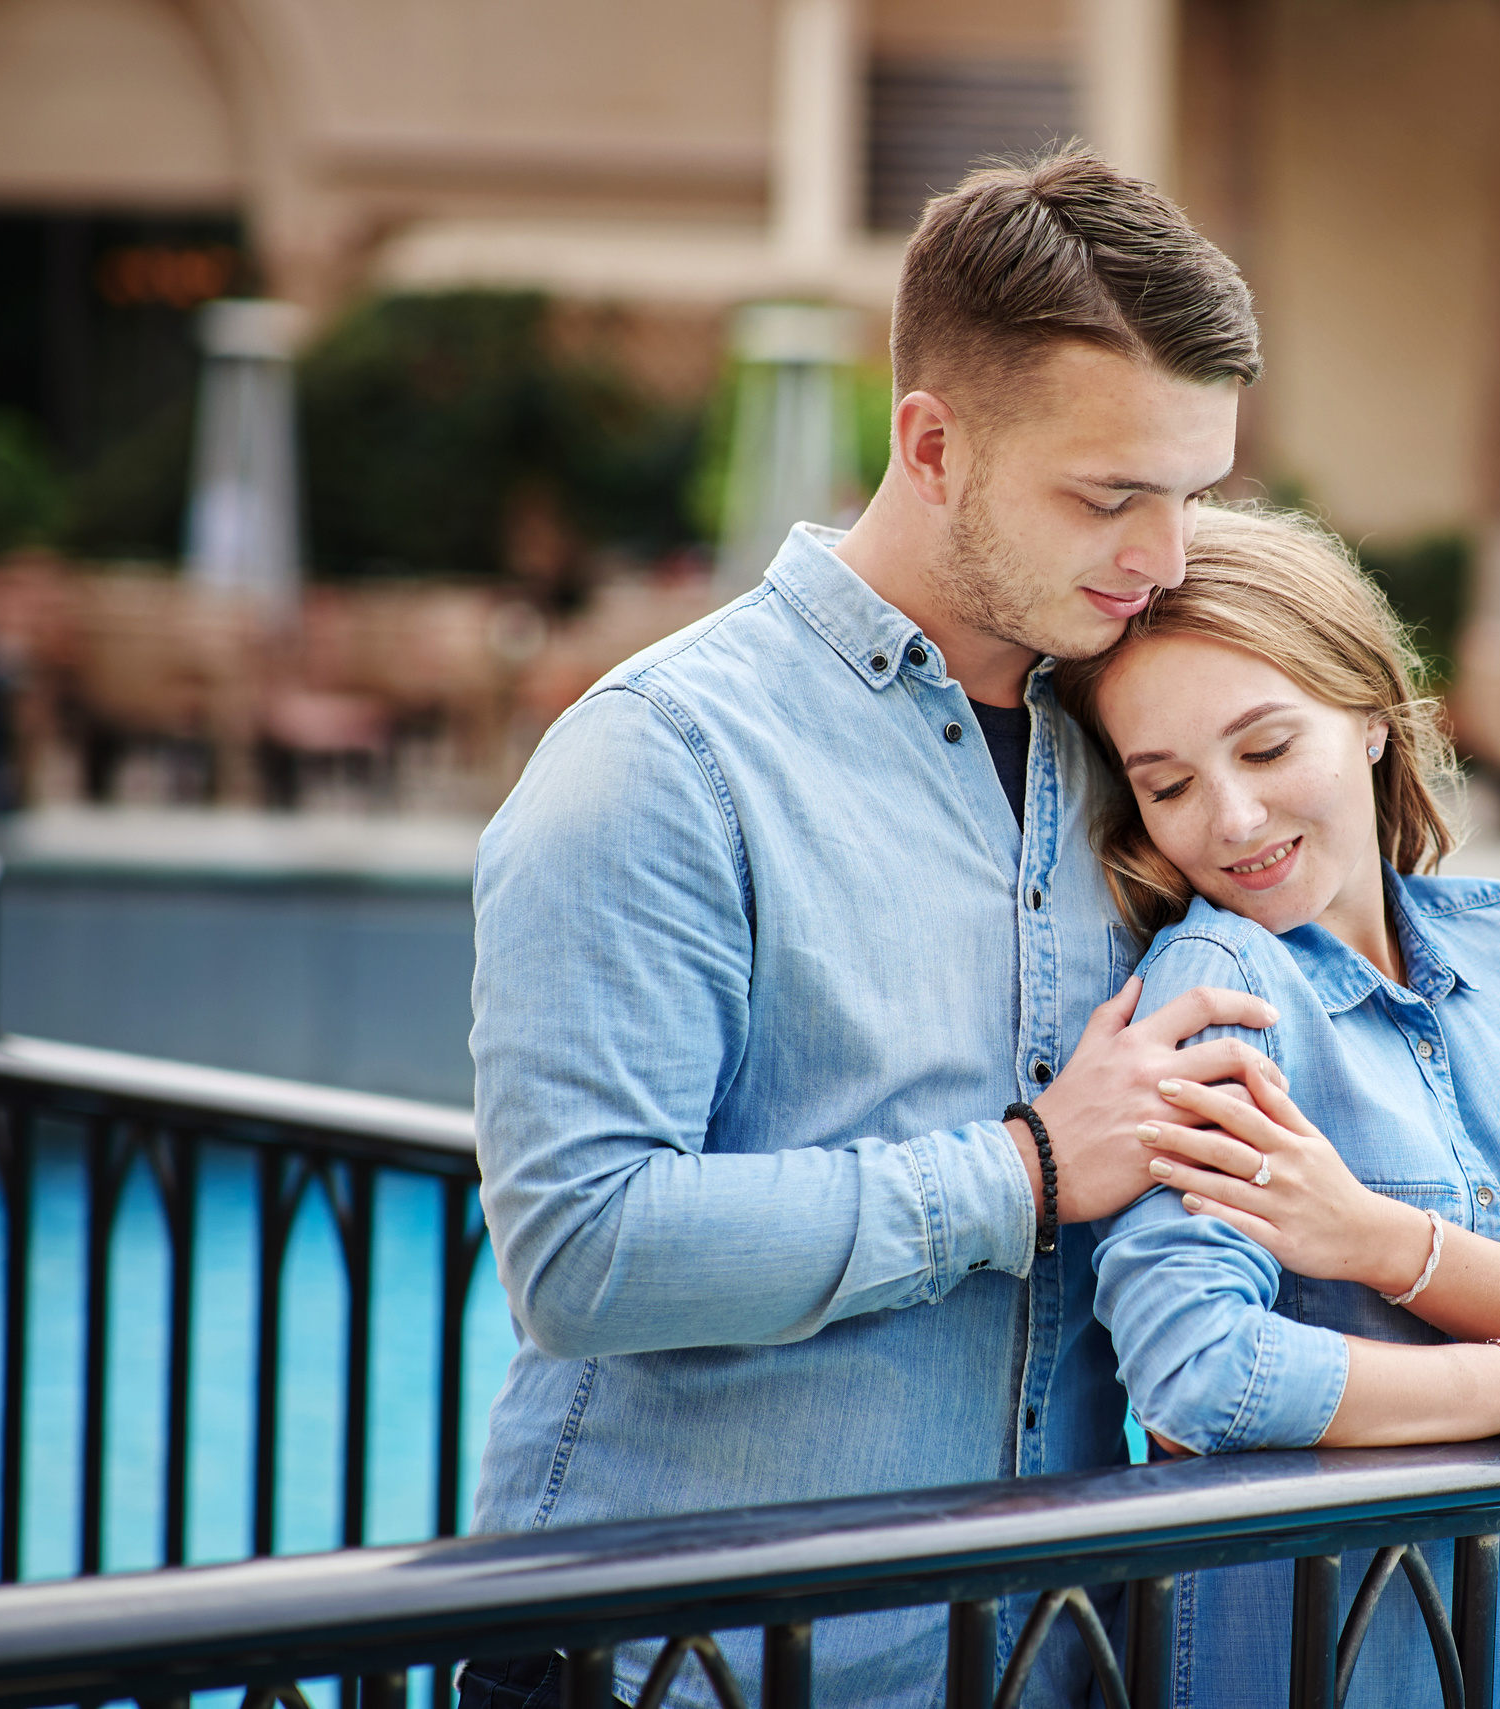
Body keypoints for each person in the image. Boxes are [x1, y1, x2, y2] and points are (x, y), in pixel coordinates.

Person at [461, 150, 1289, 1709]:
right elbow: (581, 1249)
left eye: (1192, 496)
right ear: (930, 445)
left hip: (1048, 1665)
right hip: (677, 1675)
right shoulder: (659, 760)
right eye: (1111, 496)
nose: (1165, 560)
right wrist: (1022, 1173)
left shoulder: (1142, 741)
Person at [1057, 507, 1500, 1709]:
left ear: (1369, 712)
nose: (1233, 821)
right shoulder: (1219, 991)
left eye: (1265, 748)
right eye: (1169, 785)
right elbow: (1197, 1371)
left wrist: (1376, 1243)